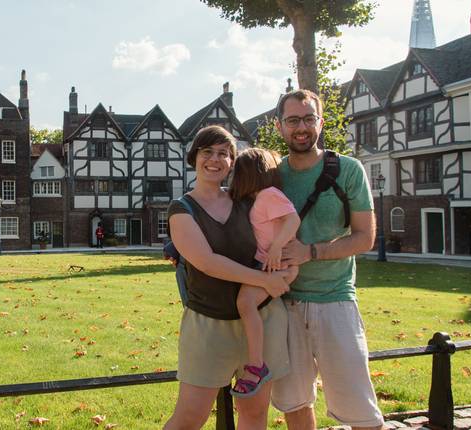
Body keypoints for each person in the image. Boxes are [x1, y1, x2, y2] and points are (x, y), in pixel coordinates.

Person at [164, 125, 291, 430]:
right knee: (190, 417)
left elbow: (280, 235)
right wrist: (264, 281)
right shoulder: (181, 209)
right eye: (208, 151)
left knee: (255, 414)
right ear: (195, 156)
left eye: (224, 154)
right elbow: (207, 263)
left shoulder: (247, 203)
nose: (215, 159)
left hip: (261, 322)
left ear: (233, 162)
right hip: (209, 325)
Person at [271, 89, 383, 430]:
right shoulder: (271, 174)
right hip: (283, 304)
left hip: (335, 301)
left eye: (308, 119)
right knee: (295, 402)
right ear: (279, 127)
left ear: (321, 122)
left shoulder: (348, 170)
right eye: (292, 120)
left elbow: (365, 237)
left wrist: (311, 252)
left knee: (360, 410)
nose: (301, 128)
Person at [227, 147, 300, 398]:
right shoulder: (260, 198)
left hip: (275, 265)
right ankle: (255, 362)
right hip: (269, 264)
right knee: (246, 304)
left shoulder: (269, 194)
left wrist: (277, 248)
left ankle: (256, 365)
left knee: (245, 303)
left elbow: (293, 220)